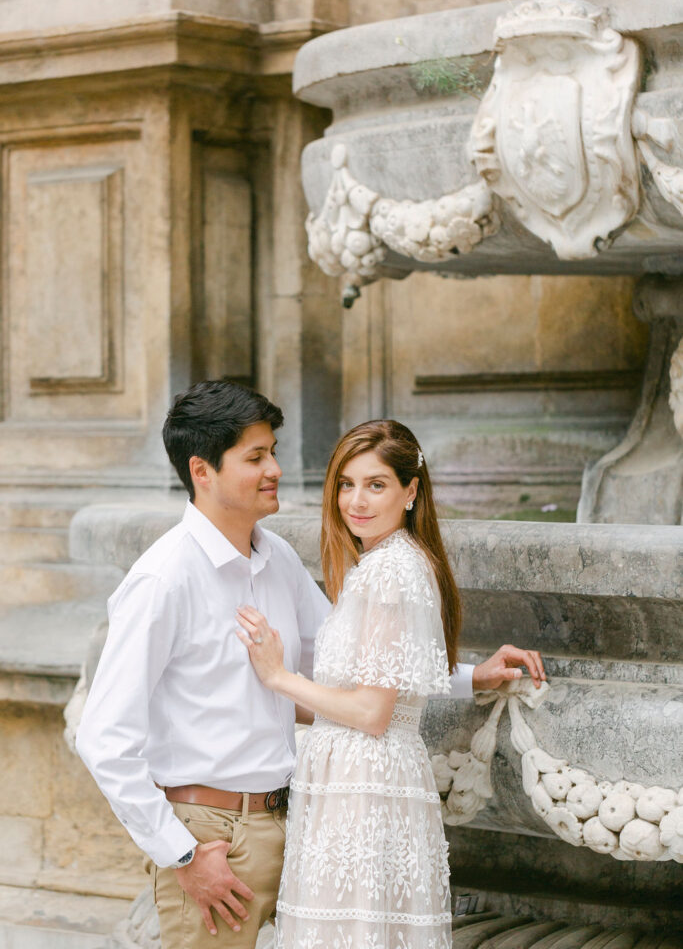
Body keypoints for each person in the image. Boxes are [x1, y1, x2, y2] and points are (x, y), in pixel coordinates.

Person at [76, 381, 543, 949]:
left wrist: (471, 677)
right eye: (256, 457)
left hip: (296, 821)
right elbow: (105, 738)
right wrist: (181, 852)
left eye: (272, 450)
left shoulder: (276, 561)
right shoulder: (164, 579)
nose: (276, 468)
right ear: (203, 471)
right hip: (210, 836)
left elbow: (357, 663)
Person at [236, 419, 545, 949]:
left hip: (362, 779)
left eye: (376, 484)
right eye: (346, 483)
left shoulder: (388, 572)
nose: (356, 500)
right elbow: (389, 676)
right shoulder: (388, 562)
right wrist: (475, 677)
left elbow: (372, 712)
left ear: (410, 490)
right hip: (363, 775)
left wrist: (278, 676)